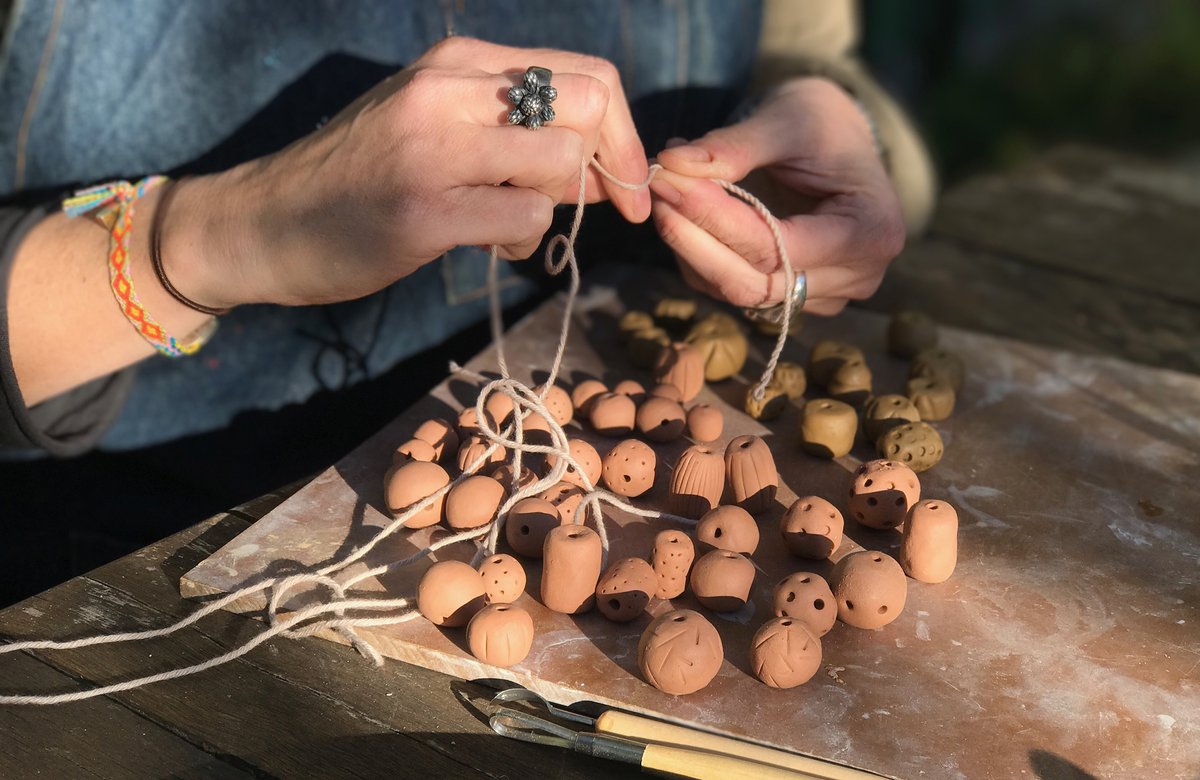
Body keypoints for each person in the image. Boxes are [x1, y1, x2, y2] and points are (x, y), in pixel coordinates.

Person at [0, 0, 934, 457]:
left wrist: (823, 121)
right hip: (126, 563)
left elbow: (803, 40)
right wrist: (215, 236)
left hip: (627, 455)